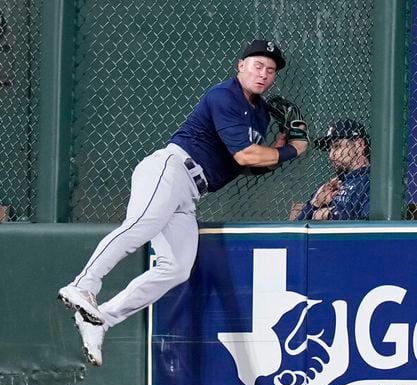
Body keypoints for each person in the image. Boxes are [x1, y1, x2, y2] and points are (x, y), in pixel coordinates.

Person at [57, 39, 309, 367]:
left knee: (175, 268)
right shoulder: (224, 95)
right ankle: (82, 285)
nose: (263, 74)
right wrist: (292, 150)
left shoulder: (260, 114)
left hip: (191, 193)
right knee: (139, 228)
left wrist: (275, 150)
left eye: (270, 70)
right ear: (241, 65)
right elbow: (246, 153)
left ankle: (101, 318)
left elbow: (247, 165)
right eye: (257, 65)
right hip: (172, 169)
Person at [290, 119, 370, 221]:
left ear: (359, 145)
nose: (331, 156)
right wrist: (314, 204)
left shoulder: (371, 182)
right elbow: (298, 229)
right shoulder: (328, 187)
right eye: (329, 149)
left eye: (337, 146)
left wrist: (328, 214)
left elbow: (367, 226)